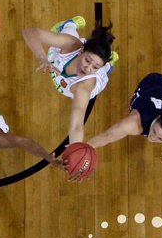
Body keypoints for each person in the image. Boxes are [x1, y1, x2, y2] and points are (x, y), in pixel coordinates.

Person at [22, 16, 118, 144]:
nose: (87, 68)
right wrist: (42, 58)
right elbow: (29, 32)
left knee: (105, 69)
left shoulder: (83, 87)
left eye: (95, 66)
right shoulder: (74, 46)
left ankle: (108, 65)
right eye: (87, 60)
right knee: (67, 32)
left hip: (86, 82)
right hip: (65, 56)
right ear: (82, 51)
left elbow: (77, 125)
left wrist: (75, 147)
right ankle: (70, 24)